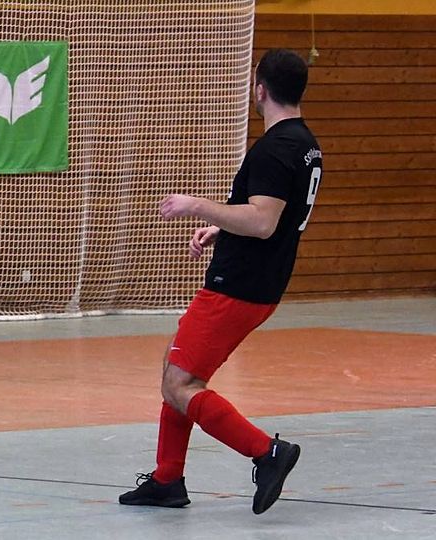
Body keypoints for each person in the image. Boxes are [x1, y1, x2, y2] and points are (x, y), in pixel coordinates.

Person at [119, 49, 322, 514]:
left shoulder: (275, 148)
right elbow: (273, 214)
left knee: (178, 384)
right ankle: (167, 480)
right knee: (179, 369)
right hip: (259, 282)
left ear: (260, 89)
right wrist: (222, 228)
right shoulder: (305, 143)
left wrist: (196, 205)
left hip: (237, 286)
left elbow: (263, 221)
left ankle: (266, 452)